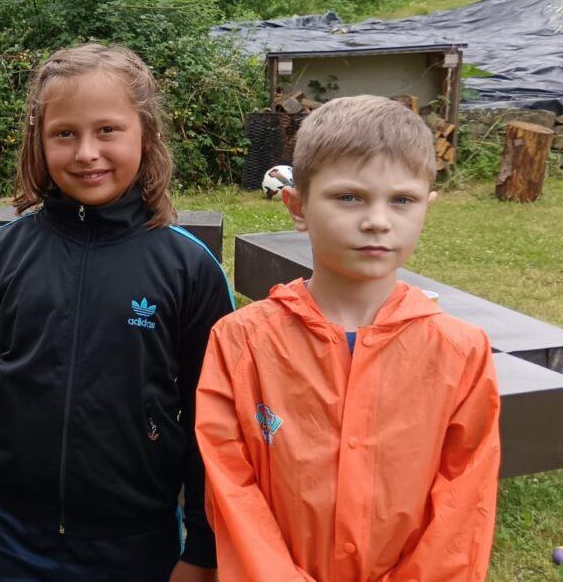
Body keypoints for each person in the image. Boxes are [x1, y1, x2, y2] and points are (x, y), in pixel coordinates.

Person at [0, 43, 230, 582]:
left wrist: (203, 547)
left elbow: (214, 416)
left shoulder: (189, 267)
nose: (87, 152)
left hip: (138, 539)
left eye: (107, 130)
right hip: (7, 532)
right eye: (64, 134)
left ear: (146, 134)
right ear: (39, 143)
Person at [195, 95, 501, 581]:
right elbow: (230, 486)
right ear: (298, 207)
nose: (377, 220)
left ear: (427, 207)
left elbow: (464, 503)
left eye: (401, 200)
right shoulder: (241, 344)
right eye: (349, 197)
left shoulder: (461, 351)